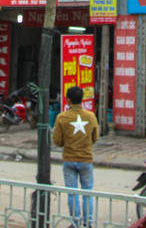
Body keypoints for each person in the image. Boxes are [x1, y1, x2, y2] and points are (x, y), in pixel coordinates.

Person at [53, 86, 100, 228]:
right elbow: (95, 138)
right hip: (86, 159)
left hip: (69, 159)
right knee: (87, 191)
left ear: (68, 100)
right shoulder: (91, 116)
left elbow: (57, 141)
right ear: (82, 99)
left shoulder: (61, 117)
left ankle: (75, 222)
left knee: (72, 192)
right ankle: (88, 223)